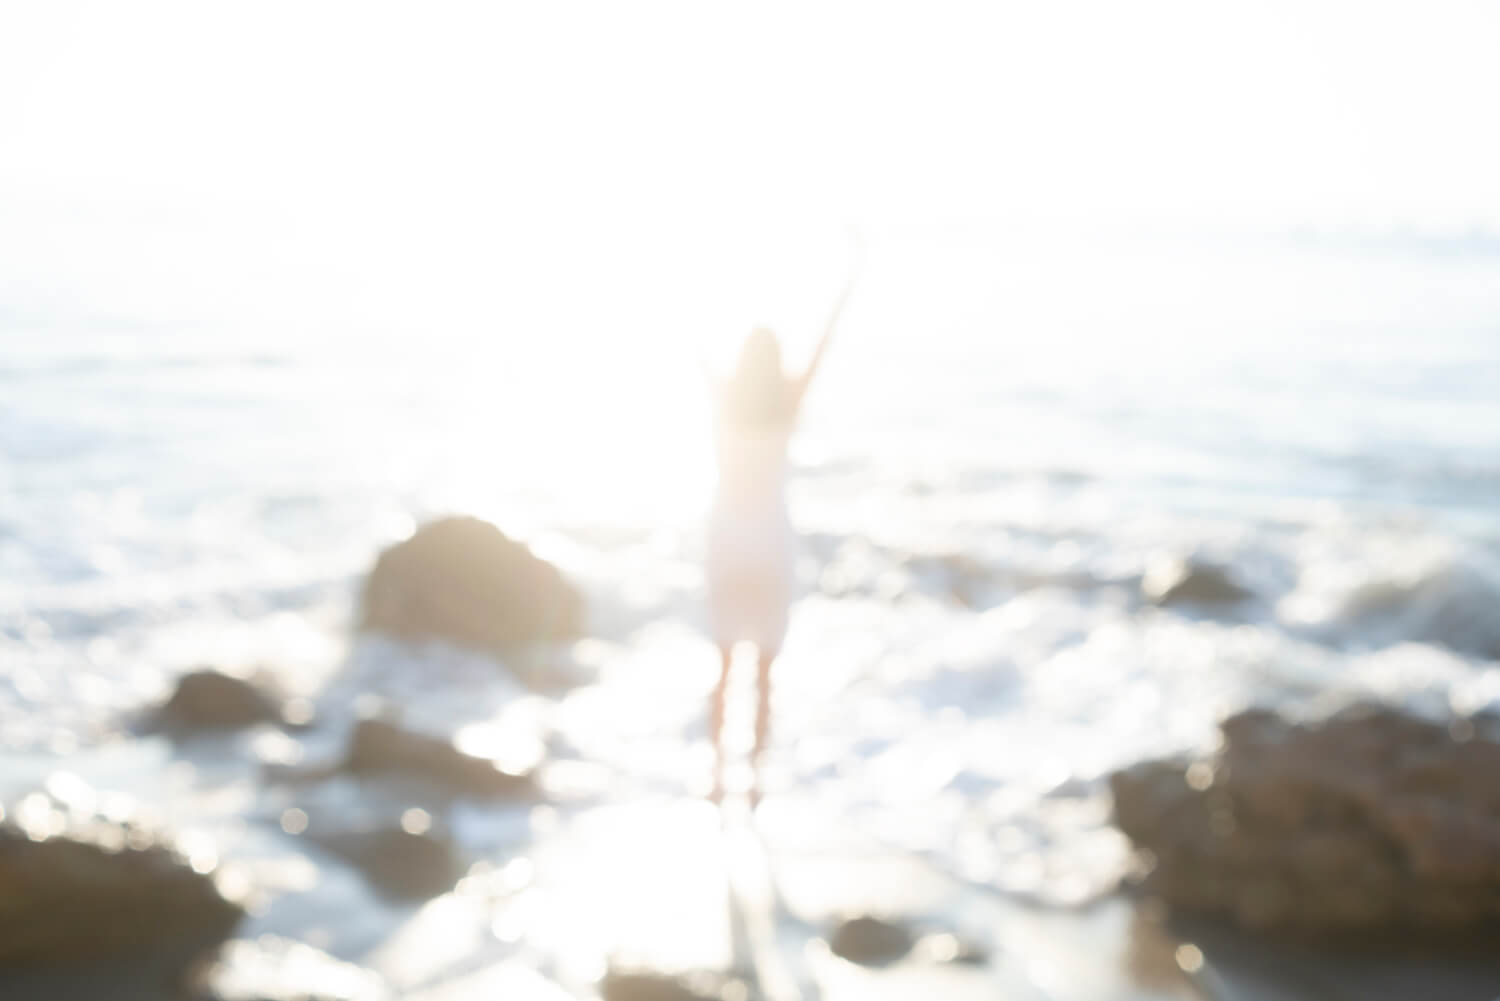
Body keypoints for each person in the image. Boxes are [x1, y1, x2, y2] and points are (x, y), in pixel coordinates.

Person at [704, 273, 856, 804]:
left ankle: (718, 776)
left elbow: (693, 340)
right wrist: (847, 281)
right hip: (770, 538)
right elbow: (824, 343)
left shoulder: (724, 396)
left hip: (726, 537)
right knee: (764, 671)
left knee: (724, 668)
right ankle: (756, 782)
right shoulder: (788, 398)